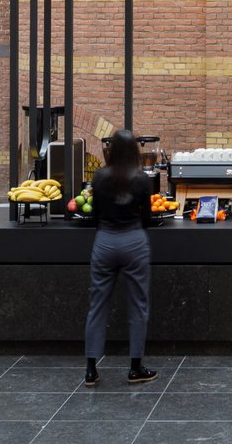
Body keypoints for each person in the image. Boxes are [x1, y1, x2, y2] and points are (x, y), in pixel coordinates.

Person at [84, 128, 159, 387]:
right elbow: (148, 217)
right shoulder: (140, 179)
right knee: (138, 304)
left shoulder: (100, 177)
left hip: (104, 241)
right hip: (133, 242)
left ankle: (91, 370)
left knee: (97, 305)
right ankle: (135, 368)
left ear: (111, 151)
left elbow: (94, 215)